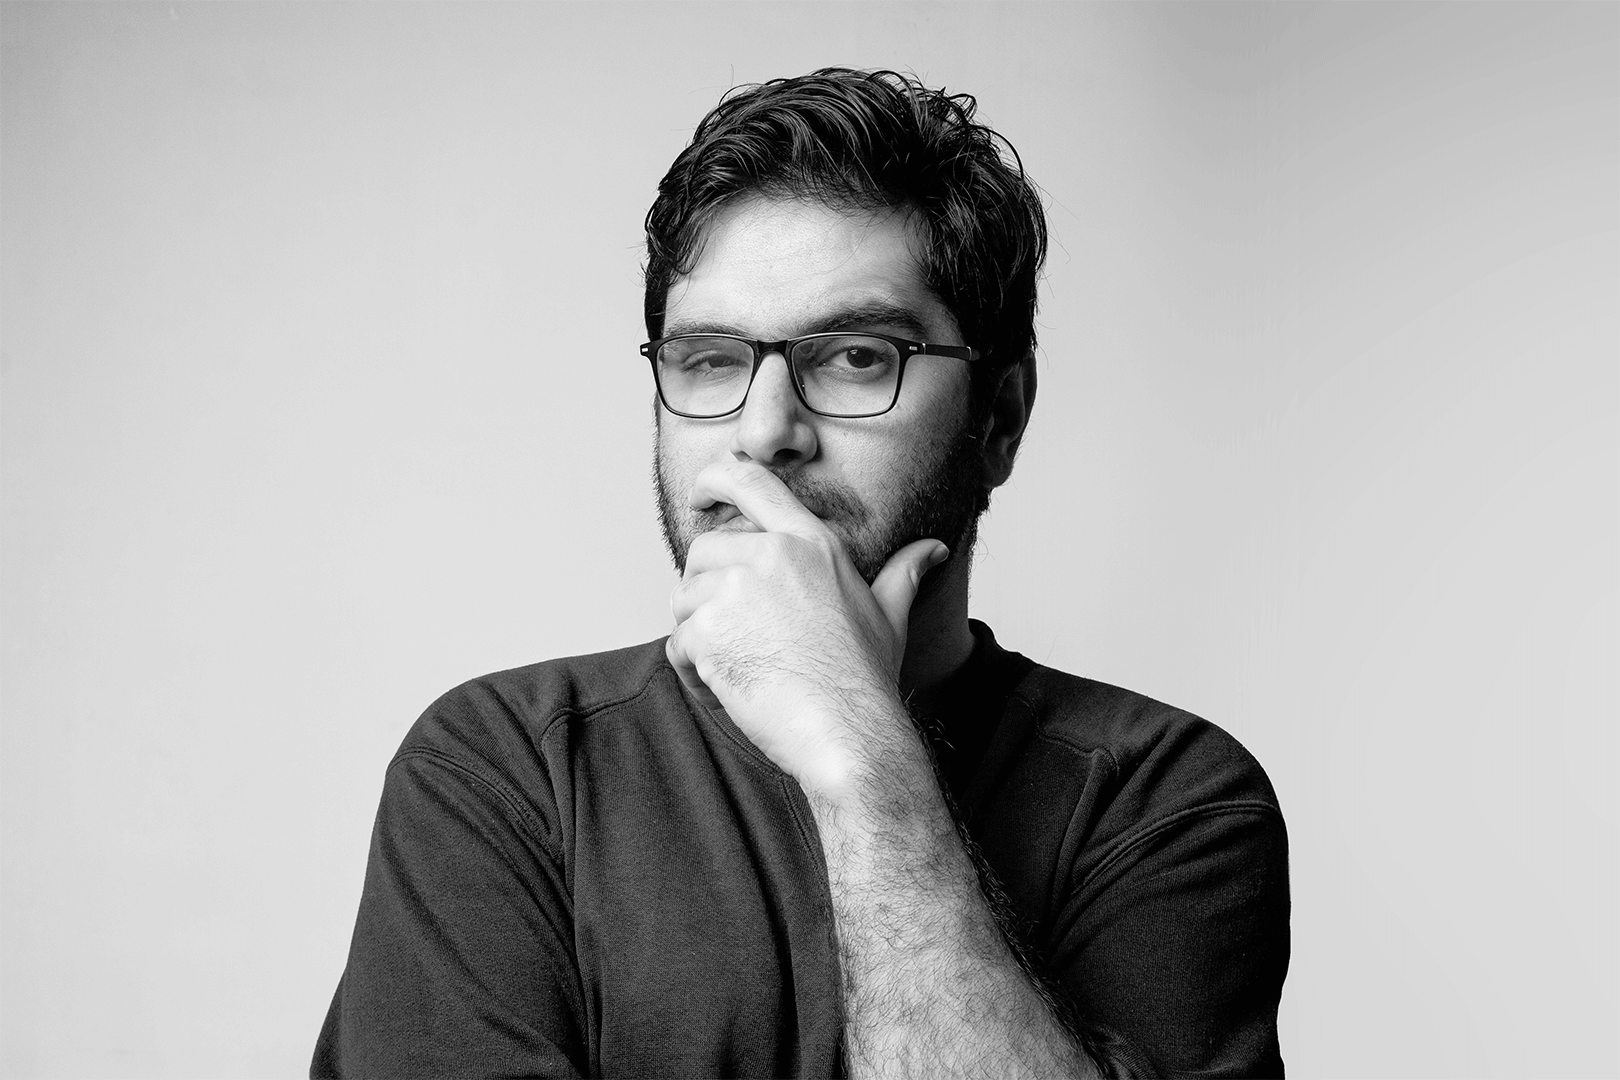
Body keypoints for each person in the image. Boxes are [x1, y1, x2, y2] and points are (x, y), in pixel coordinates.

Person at [312, 68, 1289, 1079]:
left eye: (857, 356)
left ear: (999, 418)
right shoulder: (506, 771)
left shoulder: (1160, 799)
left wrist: (863, 762)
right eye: (709, 360)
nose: (765, 429)